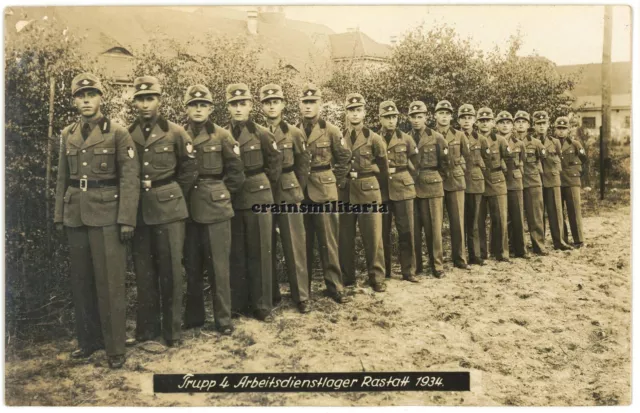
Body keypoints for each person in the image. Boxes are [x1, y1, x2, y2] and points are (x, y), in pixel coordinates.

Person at [54, 73, 139, 368]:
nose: (86, 99)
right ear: (75, 100)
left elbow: (130, 179)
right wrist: (58, 216)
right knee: (81, 282)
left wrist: (127, 219)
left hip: (107, 215)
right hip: (75, 213)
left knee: (110, 282)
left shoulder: (117, 132)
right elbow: (62, 177)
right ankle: (88, 342)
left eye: (91, 94)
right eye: (81, 95)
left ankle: (115, 348)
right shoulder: (67, 134)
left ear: (102, 97)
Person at [128, 76, 198, 347]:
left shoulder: (176, 132)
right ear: (134, 102)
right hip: (139, 212)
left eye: (150, 98)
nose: (146, 104)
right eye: (141, 99)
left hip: (169, 209)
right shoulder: (127, 133)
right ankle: (146, 328)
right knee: (144, 272)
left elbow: (190, 168)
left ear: (160, 100)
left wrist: (171, 191)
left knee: (170, 270)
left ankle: (172, 331)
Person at [182, 84, 244, 335]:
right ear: (186, 108)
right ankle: (195, 317)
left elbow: (236, 174)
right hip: (187, 208)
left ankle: (223, 319)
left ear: (210, 108)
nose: (198, 110)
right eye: (193, 105)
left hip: (216, 208)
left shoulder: (222, 136)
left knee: (219, 266)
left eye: (203, 105)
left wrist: (220, 193)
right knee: (192, 266)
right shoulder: (178, 134)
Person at [225, 83, 283, 322]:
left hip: (259, 197)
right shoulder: (222, 133)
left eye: (242, 104)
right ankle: (240, 303)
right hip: (235, 199)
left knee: (260, 251)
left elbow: (275, 164)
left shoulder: (262, 133)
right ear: (228, 107)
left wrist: (262, 184)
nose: (238, 109)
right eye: (233, 104)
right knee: (237, 253)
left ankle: (262, 305)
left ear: (250, 106)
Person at [259, 83, 312, 313]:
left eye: (276, 102)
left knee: (295, 244)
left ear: (283, 104)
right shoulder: (257, 132)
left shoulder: (294, 132)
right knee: (266, 244)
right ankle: (271, 295)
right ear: (262, 107)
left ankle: (301, 296)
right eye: (267, 102)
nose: (272, 106)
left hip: (289, 191)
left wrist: (296, 189)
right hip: (264, 192)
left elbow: (303, 164)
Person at [297, 83, 352, 303]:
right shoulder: (294, 130)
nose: (308, 106)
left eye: (312, 102)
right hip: (302, 194)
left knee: (329, 242)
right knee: (304, 242)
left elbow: (344, 158)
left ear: (320, 104)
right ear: (299, 105)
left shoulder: (331, 130)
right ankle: (304, 289)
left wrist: (334, 182)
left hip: (325, 190)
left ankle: (335, 286)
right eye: (305, 102)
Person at [339, 93, 389, 292]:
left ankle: (377, 277)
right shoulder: (339, 137)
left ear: (364, 112)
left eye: (358, 110)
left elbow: (384, 168)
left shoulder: (374, 138)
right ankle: (347, 276)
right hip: (345, 191)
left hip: (368, 190)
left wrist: (378, 191)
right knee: (344, 235)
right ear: (346, 113)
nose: (354, 114)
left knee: (373, 236)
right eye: (351, 110)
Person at [378, 101, 419, 282]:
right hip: (383, 190)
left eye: (394, 117)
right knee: (382, 232)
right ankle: (385, 271)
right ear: (380, 118)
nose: (391, 120)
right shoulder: (374, 138)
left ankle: (408, 271)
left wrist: (407, 179)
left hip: (403, 188)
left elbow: (416, 163)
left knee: (406, 231)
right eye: (387, 117)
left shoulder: (406, 139)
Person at [408, 101, 449, 278]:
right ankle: (416, 265)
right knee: (414, 228)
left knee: (434, 227)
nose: (417, 120)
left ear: (426, 117)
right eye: (413, 117)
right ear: (408, 118)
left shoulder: (437, 137)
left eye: (420, 116)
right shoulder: (405, 137)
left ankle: (437, 265)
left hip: (432, 186)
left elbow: (446, 164)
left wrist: (435, 178)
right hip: (411, 187)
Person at [434, 100, 470, 270]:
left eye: (447, 113)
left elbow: (467, 157)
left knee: (458, 222)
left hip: (456, 181)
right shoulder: (430, 134)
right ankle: (438, 262)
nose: (444, 116)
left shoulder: (459, 135)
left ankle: (460, 258)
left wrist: (459, 168)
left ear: (451, 116)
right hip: (437, 182)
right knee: (437, 224)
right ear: (435, 115)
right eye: (441, 113)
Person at [533, 111, 573, 251]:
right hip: (536, 180)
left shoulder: (555, 142)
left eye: (544, 123)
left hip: (553, 179)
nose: (541, 126)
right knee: (538, 213)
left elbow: (559, 160)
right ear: (534, 126)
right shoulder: (530, 141)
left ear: (548, 124)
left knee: (556, 211)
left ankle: (559, 241)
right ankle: (540, 243)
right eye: (538, 124)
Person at [476, 107, 510, 262]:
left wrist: (502, 172)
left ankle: (501, 252)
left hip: (497, 180)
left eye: (487, 120)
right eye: (481, 121)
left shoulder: (500, 140)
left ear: (492, 122)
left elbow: (510, 160)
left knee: (500, 219)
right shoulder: (473, 139)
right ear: (477, 122)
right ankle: (482, 253)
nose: (484, 124)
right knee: (479, 219)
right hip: (479, 181)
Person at [515, 110, 549, 256]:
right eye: (518, 121)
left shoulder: (536, 143)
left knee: (536, 215)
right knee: (515, 217)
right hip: (515, 182)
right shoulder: (508, 142)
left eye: (524, 121)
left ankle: (539, 245)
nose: (521, 124)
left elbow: (543, 162)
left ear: (529, 124)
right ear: (514, 124)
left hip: (532, 182)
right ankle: (517, 246)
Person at [458, 104, 488, 265]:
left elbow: (487, 160)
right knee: (460, 221)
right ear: (458, 120)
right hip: (459, 182)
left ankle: (475, 254)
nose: (467, 121)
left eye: (469, 118)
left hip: (476, 182)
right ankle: (461, 255)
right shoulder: (455, 136)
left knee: (475, 220)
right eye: (463, 118)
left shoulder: (481, 139)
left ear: (474, 120)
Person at [496, 111, 528, 258]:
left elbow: (522, 162)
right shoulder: (492, 141)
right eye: (502, 122)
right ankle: (501, 249)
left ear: (512, 125)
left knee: (517, 215)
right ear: (496, 125)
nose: (505, 125)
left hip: (514, 181)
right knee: (500, 217)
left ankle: (521, 249)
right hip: (497, 181)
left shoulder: (519, 144)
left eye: (508, 122)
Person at [555, 116, 587, 248]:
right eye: (559, 128)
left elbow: (584, 160)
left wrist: (579, 175)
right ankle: (563, 240)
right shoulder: (552, 143)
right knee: (559, 211)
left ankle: (578, 239)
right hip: (557, 180)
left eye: (564, 128)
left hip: (572, 180)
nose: (561, 131)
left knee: (574, 209)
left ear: (568, 130)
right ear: (555, 129)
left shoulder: (575, 144)